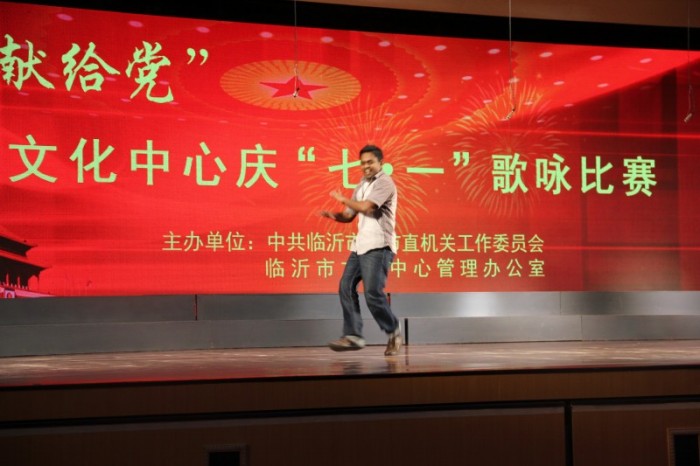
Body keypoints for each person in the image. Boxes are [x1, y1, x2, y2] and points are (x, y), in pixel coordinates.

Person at [320, 144, 402, 356]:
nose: (366, 166)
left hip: (379, 245)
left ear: (380, 163)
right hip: (361, 245)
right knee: (345, 286)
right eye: (362, 163)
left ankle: (393, 330)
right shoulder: (361, 184)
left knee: (372, 294)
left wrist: (344, 199)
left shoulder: (385, 183)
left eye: (370, 162)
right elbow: (349, 215)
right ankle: (353, 335)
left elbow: (367, 207)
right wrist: (334, 215)